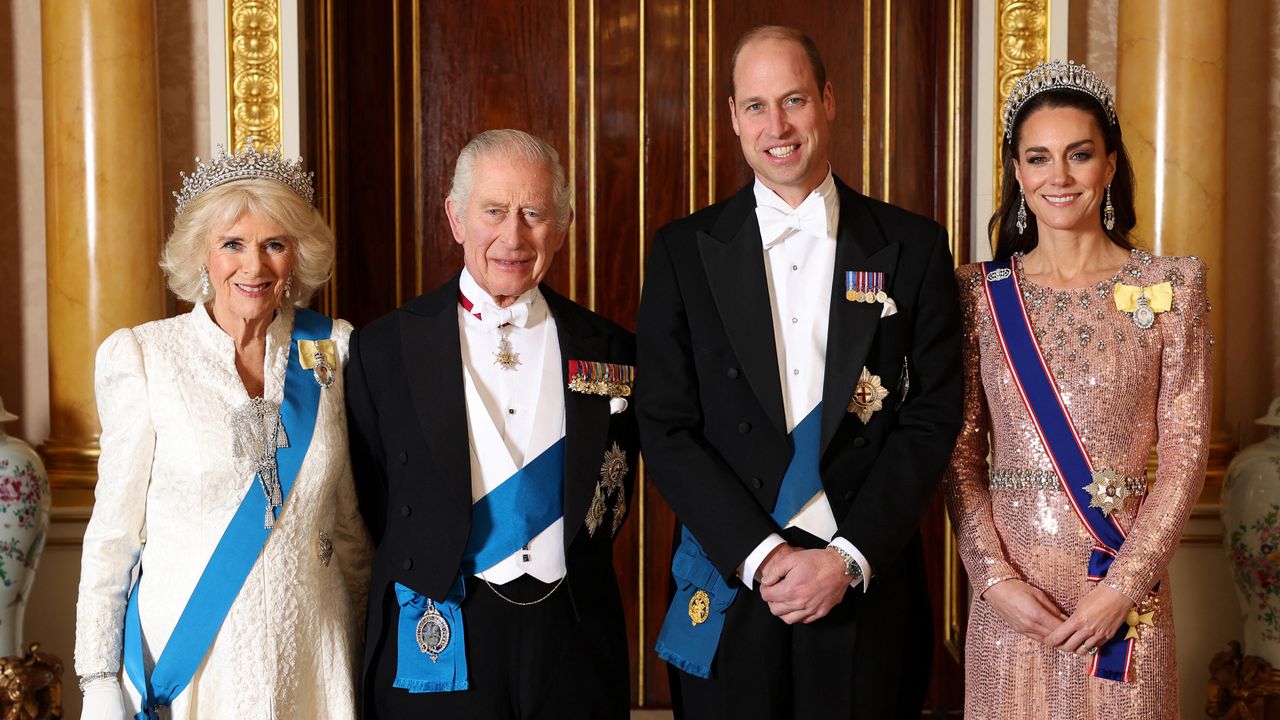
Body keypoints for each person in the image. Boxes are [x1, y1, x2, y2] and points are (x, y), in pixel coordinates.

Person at [636, 25, 963, 719]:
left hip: (863, 581)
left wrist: (846, 558)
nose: (777, 126)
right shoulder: (682, 252)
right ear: (732, 117)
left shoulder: (913, 245)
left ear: (829, 101)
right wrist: (760, 555)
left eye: (794, 100)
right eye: (756, 106)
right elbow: (665, 425)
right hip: (734, 577)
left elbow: (931, 418)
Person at [944, 60, 1210, 718]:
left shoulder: (1173, 286)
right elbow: (960, 453)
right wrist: (993, 577)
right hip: (1012, 601)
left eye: (1079, 155)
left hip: (1122, 590)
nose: (1057, 177)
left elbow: (1184, 451)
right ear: (1017, 173)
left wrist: (1124, 586)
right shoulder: (978, 295)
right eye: (1038, 158)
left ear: (1110, 165)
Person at [74, 143, 372, 719]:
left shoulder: (331, 350)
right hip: (192, 664)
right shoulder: (145, 358)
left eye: (274, 245)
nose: (253, 267)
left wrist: (366, 653)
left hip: (314, 655)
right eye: (232, 244)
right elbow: (113, 536)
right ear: (201, 256)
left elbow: (348, 523)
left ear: (297, 256)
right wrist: (97, 679)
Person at [347, 129, 638, 719]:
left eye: (533, 213)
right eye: (494, 211)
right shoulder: (384, 349)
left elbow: (616, 491)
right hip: (441, 623)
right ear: (456, 218)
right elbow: (370, 500)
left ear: (562, 224)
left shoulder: (613, 349)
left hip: (573, 637)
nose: (513, 236)